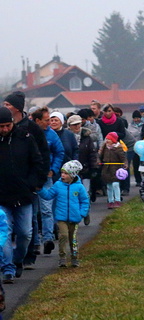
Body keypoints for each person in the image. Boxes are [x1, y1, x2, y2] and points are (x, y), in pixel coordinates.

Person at [0, 107, 44, 284]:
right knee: (4, 233)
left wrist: (33, 184)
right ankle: (8, 267)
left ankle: (18, 260)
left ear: (12, 123)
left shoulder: (25, 138)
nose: (4, 129)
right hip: (1, 198)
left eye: (7, 125)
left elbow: (37, 162)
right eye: (1, 126)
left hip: (24, 195)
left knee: (25, 234)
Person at [37, 160, 89, 268]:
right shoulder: (58, 185)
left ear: (72, 175)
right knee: (63, 236)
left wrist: (82, 214)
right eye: (62, 173)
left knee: (73, 239)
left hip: (75, 218)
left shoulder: (79, 187)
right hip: (61, 218)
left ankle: (75, 258)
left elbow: (84, 201)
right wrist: (40, 190)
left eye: (65, 173)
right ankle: (62, 257)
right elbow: (48, 195)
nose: (63, 175)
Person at [31, 108, 65, 256]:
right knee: (33, 212)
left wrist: (54, 169)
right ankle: (35, 242)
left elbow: (60, 152)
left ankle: (48, 239)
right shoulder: (27, 133)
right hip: (30, 177)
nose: (49, 122)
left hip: (46, 177)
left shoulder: (51, 134)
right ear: (37, 121)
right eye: (46, 120)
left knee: (46, 209)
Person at [67, 114, 98, 225]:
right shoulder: (67, 137)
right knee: (73, 194)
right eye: (74, 125)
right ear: (69, 126)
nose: (77, 126)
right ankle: (75, 215)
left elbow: (92, 153)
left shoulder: (86, 137)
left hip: (85, 169)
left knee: (85, 193)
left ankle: (85, 211)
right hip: (71, 171)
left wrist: (94, 167)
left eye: (78, 124)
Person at [98, 132, 127, 209]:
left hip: (116, 170)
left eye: (109, 139)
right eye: (106, 139)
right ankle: (110, 201)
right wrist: (98, 161)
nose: (107, 141)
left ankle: (117, 200)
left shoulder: (118, 148)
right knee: (109, 186)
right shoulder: (104, 147)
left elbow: (123, 158)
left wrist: (125, 164)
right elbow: (99, 156)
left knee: (115, 184)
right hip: (106, 170)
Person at [128, 110, 144, 187]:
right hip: (134, 147)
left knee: (143, 164)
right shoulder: (129, 126)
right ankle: (138, 180)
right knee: (135, 164)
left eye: (138, 118)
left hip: (143, 147)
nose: (136, 120)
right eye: (135, 118)